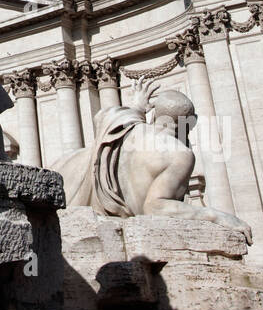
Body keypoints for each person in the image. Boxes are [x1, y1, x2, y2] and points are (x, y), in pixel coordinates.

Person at [56, 78, 252, 241]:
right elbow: (155, 207)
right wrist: (215, 216)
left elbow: (104, 116)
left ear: (155, 114)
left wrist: (137, 107)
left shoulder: (121, 126)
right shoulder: (179, 154)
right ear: (187, 124)